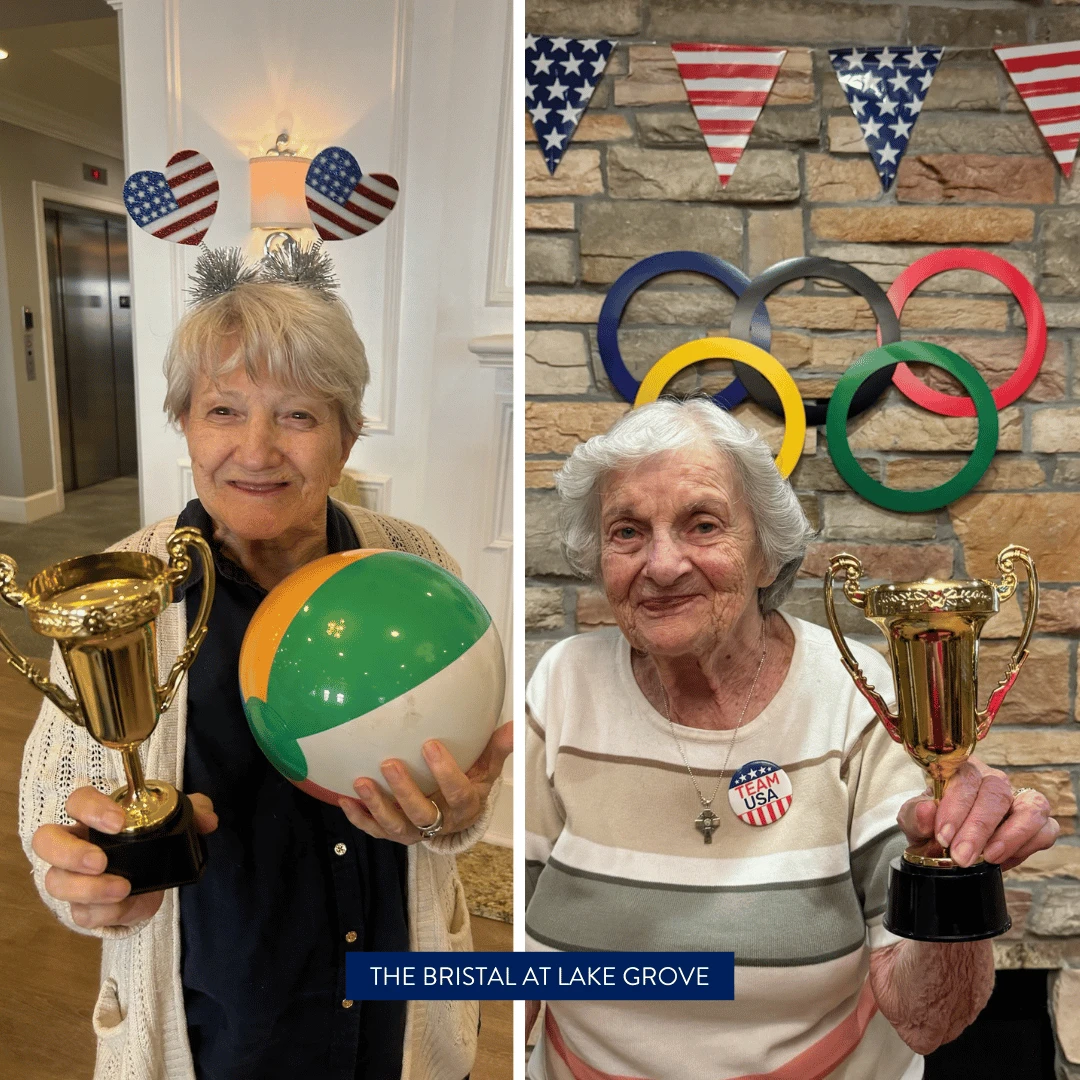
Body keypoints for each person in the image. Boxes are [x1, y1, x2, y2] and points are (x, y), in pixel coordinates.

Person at [20, 256, 512, 1080]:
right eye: (222, 410)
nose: (256, 450)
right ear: (183, 422)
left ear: (348, 434)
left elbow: (456, 801)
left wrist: (449, 817)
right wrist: (92, 885)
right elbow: (55, 824)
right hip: (228, 1026)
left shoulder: (417, 565)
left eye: (297, 415)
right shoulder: (120, 595)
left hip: (395, 1018)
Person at [524, 398, 1058, 1080]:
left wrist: (956, 873)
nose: (662, 564)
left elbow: (928, 1016)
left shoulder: (857, 696)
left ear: (765, 555)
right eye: (627, 531)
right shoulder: (566, 682)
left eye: (703, 524)